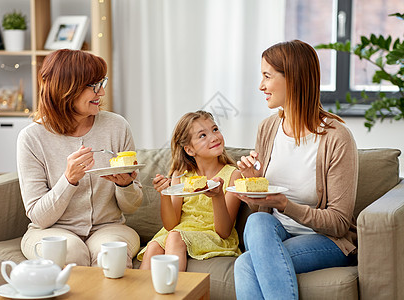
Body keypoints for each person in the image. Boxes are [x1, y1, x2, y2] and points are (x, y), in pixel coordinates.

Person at [234, 40, 358, 299]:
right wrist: (256, 184)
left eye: (267, 76)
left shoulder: (336, 138)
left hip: (326, 240)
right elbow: (261, 210)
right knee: (257, 220)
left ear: (293, 78)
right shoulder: (267, 129)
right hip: (276, 233)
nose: (261, 86)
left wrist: (286, 205)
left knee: (246, 263)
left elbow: (338, 223)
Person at [17, 49, 142, 268]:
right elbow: (39, 217)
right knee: (70, 253)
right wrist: (69, 180)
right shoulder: (32, 138)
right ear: (66, 89)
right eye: (94, 86)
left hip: (109, 227)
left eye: (101, 83)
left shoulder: (117, 126)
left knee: (111, 255)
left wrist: (126, 185)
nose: (101, 93)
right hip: (51, 230)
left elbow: (132, 207)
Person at [137, 110, 242, 271]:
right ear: (190, 150)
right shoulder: (180, 176)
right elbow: (171, 224)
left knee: (174, 237)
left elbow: (224, 231)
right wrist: (165, 194)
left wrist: (218, 195)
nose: (214, 137)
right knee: (153, 247)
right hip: (180, 231)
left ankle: (172, 294)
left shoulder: (233, 175)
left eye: (215, 129)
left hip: (212, 235)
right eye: (202, 135)